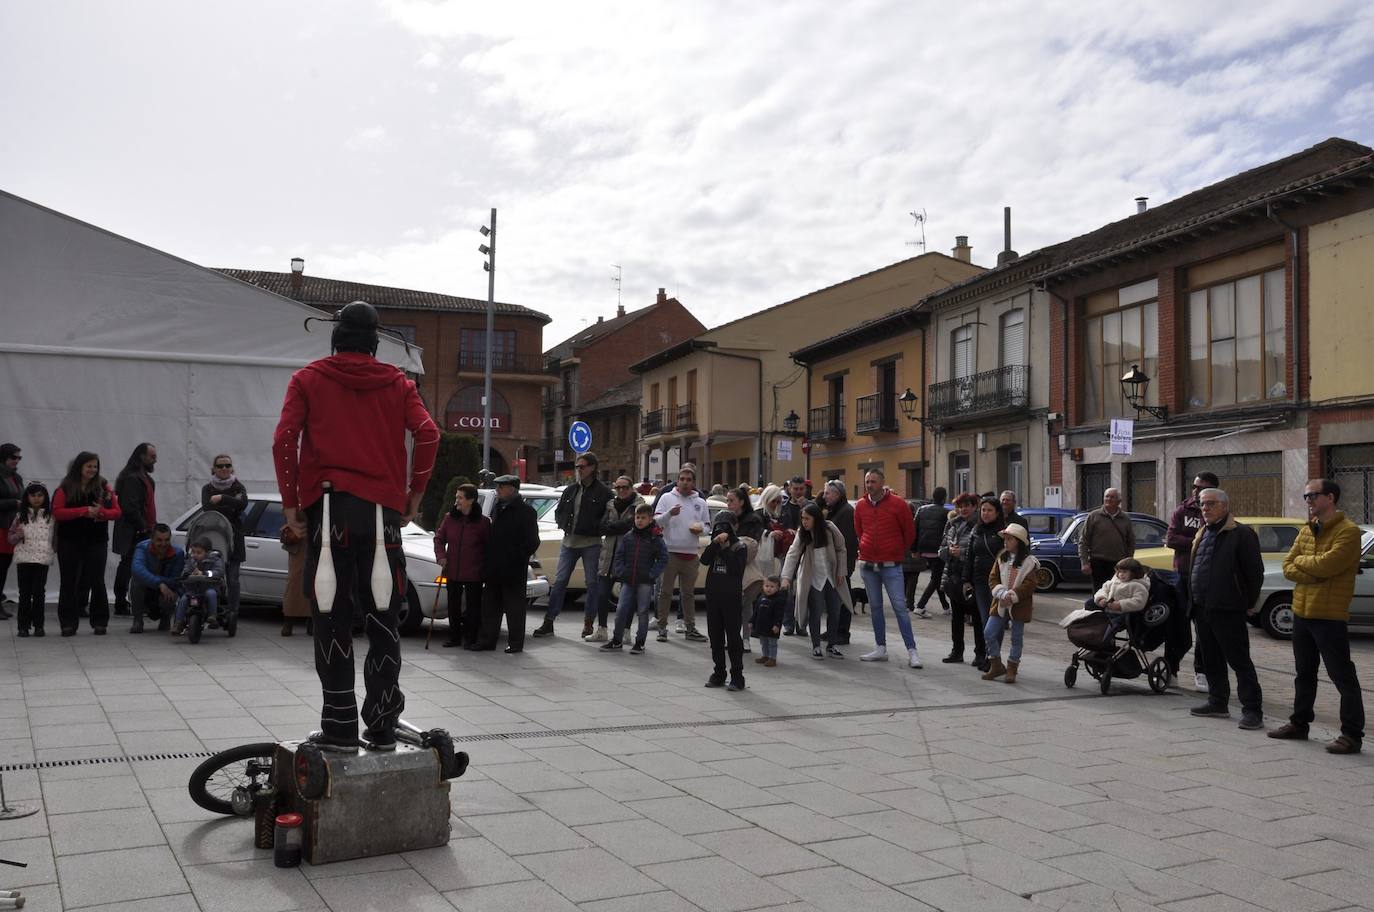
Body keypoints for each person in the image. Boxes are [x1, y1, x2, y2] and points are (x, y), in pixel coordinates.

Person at [273, 300, 440, 751]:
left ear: (336, 336)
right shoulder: (398, 383)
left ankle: (340, 725)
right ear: (374, 342)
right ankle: (382, 725)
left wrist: (291, 503)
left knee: (332, 620)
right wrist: (415, 494)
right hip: (382, 515)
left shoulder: (308, 378)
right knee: (384, 621)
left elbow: (285, 438)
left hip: (329, 512)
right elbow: (428, 433)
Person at [1270, 478, 1365, 754]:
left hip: (1329, 615)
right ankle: (1299, 724)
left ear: (1331, 497)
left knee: (1342, 675)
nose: (1308, 501)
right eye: (1306, 496)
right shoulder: (1307, 529)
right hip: (1302, 612)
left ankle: (1352, 734)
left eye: (1313, 495)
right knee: (1304, 673)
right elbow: (1288, 566)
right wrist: (1310, 570)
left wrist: (1305, 565)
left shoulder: (1348, 532)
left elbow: (1328, 565)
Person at [1187, 488, 1265, 731]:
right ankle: (1218, 702)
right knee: (1211, 659)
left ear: (1224, 506)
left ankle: (1252, 710)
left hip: (1228, 608)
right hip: (1202, 607)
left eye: (1210, 503)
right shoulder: (1203, 532)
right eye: (1202, 504)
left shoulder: (1241, 533)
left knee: (1239, 661)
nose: (1205, 508)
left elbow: (1254, 573)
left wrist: (1248, 602)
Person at [535, 452, 613, 639]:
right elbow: (560, 511)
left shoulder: (604, 492)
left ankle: (588, 622)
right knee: (560, 581)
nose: (579, 470)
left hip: (591, 543)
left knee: (592, 583)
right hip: (569, 541)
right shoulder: (570, 490)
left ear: (592, 467)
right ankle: (549, 622)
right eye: (577, 466)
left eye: (582, 466)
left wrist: (596, 528)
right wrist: (562, 523)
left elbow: (608, 517)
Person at [854, 468, 921, 668]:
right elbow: (859, 530)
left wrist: (896, 550)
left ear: (882, 482)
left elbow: (909, 532)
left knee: (900, 607)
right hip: (868, 564)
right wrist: (865, 546)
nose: (869, 485)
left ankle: (912, 650)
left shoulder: (898, 504)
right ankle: (880, 647)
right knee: (875, 607)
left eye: (873, 481)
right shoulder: (860, 505)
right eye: (867, 481)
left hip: (891, 564)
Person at [52, 452, 121, 636]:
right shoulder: (65, 487)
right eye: (89, 466)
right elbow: (57, 512)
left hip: (96, 540)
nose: (92, 469)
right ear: (79, 467)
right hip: (69, 540)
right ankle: (68, 623)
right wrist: (83, 511)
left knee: (97, 580)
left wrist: (101, 513)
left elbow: (116, 512)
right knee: (69, 581)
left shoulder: (103, 486)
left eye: (95, 466)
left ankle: (100, 621)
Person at [476, 474, 540, 652]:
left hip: (513, 569)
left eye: (501, 487)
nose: (497, 490)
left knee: (514, 608)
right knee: (490, 606)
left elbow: (532, 541)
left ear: (512, 489)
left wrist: (516, 557)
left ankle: (516, 643)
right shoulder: (497, 507)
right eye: (497, 487)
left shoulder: (526, 511)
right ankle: (487, 640)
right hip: (494, 567)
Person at [781, 502, 851, 659]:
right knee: (815, 612)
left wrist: (841, 571)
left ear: (816, 518)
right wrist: (786, 577)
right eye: (802, 518)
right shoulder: (802, 533)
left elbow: (841, 548)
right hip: (812, 578)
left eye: (807, 518)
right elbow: (793, 553)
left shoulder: (830, 528)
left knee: (835, 611)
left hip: (832, 577)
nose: (804, 522)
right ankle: (816, 646)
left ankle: (832, 645)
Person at [1167, 472, 1217, 693]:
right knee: (1178, 625)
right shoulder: (1182, 511)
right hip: (1183, 575)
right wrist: (1198, 541)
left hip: (1205, 578)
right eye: (1194, 486)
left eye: (1202, 487)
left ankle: (1202, 672)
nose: (1196, 491)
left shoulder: (1217, 512)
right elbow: (1171, 539)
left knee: (1204, 628)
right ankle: (1171, 669)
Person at [654, 465, 710, 642]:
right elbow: (656, 521)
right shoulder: (666, 497)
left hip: (691, 554)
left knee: (688, 594)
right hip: (669, 552)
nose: (685, 483)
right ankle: (662, 627)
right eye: (682, 479)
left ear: (694, 483)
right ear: (677, 481)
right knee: (665, 592)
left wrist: (700, 530)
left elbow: (707, 527)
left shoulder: (700, 502)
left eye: (689, 480)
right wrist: (670, 514)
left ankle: (690, 628)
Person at [604, 502, 668, 653]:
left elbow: (663, 558)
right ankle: (617, 640)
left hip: (645, 581)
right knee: (621, 610)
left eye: (643, 518)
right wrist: (621, 571)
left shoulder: (655, 538)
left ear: (650, 519)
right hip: (628, 580)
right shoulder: (629, 536)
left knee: (642, 612)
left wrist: (652, 573)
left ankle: (640, 642)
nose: (639, 521)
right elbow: (619, 556)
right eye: (637, 517)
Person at [700, 510, 753, 691]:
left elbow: (737, 569)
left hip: (731, 598)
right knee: (715, 637)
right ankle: (719, 673)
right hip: (713, 596)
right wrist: (715, 544)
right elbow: (705, 560)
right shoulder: (714, 544)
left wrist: (725, 549)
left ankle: (737, 676)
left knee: (733, 638)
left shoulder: (740, 546)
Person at [434, 483, 490, 648]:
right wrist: (441, 556)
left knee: (473, 606)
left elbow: (488, 546)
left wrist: (485, 567)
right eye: (456, 497)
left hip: (474, 571)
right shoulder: (449, 518)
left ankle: (471, 638)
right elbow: (439, 539)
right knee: (453, 605)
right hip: (452, 570)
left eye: (460, 497)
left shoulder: (483, 522)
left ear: (471, 500)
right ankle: (454, 637)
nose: (456, 501)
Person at [982, 523, 1039, 683]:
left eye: (1009, 539)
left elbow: (1029, 585)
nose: (1005, 542)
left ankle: (1012, 667)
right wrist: (1001, 593)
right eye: (1005, 539)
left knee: (1016, 637)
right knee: (989, 632)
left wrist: (1013, 595)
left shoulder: (1029, 562)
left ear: (1019, 542)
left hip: (1019, 604)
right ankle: (996, 664)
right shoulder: (1002, 557)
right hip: (1000, 602)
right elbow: (993, 578)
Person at [589, 476, 644, 643]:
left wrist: (613, 527)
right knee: (602, 594)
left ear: (631, 488)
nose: (621, 490)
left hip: (628, 556)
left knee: (628, 598)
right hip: (608, 556)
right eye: (618, 487)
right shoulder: (610, 504)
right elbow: (601, 527)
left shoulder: (639, 505)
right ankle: (602, 630)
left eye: (625, 487)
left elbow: (632, 525)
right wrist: (619, 527)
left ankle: (626, 631)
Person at [112, 443, 157, 618]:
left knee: (139, 567)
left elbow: (147, 506)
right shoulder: (131, 478)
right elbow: (130, 507)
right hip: (133, 532)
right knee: (128, 566)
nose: (155, 460)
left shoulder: (145, 478)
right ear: (141, 457)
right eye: (152, 456)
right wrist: (143, 526)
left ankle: (141, 602)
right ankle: (121, 602)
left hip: (144, 530)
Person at [201, 454, 248, 621]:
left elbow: (242, 504)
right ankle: (211, 610)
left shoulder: (238, 486)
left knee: (233, 579)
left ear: (232, 468)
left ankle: (233, 612)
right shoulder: (207, 488)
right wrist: (231, 504)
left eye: (227, 465)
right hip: (214, 538)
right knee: (212, 576)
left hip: (234, 539)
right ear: (213, 469)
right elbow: (207, 508)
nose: (224, 469)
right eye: (220, 466)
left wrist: (222, 498)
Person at [961, 496, 1005, 672]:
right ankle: (991, 656)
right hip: (979, 581)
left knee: (995, 621)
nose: (986, 513)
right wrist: (966, 579)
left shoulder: (1003, 532)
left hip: (999, 583)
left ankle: (993, 658)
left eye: (990, 510)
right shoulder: (976, 530)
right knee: (985, 620)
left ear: (997, 513)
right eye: (983, 510)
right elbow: (970, 556)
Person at [9, 482, 54, 636]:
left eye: (40, 495)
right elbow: (10, 537)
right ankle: (23, 626)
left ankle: (39, 625)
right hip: (24, 558)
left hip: (42, 559)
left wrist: (54, 550)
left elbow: (56, 537)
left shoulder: (51, 517)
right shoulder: (20, 517)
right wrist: (17, 536)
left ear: (45, 497)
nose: (36, 499)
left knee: (39, 592)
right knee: (24, 593)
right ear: (27, 497)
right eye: (33, 495)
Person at [939, 493, 980, 665]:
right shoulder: (952, 524)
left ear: (974, 507)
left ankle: (980, 654)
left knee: (977, 617)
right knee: (956, 616)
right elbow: (941, 550)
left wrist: (961, 553)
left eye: (967, 506)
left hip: (972, 577)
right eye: (960, 506)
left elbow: (980, 551)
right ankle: (957, 651)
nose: (963, 509)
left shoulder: (979, 525)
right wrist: (949, 552)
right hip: (954, 575)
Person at [819, 479, 857, 643]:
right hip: (834, 563)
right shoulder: (834, 510)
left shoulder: (846, 512)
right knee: (833, 599)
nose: (824, 496)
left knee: (842, 599)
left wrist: (843, 567)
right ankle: (833, 630)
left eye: (827, 493)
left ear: (837, 494)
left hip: (842, 565)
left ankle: (842, 632)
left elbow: (846, 543)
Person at [129, 523, 185, 635]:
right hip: (147, 588)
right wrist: (159, 583)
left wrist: (159, 582)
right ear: (152, 539)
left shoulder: (178, 553)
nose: (163, 544)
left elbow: (176, 580)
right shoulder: (142, 547)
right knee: (136, 582)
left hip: (165, 591)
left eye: (167, 540)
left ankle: (166, 618)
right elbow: (136, 569)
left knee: (172, 591)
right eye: (159, 540)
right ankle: (138, 620)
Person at [729, 485, 766, 650]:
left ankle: (745, 639)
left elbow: (751, 546)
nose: (728, 504)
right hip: (729, 568)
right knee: (731, 605)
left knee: (745, 604)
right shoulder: (726, 518)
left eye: (732, 501)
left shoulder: (753, 519)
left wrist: (733, 546)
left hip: (747, 568)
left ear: (742, 502)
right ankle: (732, 637)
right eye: (727, 501)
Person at [1078, 488, 1135, 591]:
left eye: (1112, 497)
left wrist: (1128, 561)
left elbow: (1131, 542)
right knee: (1099, 593)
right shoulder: (1094, 516)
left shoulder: (1125, 518)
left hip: (1118, 563)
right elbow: (1084, 541)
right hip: (1098, 562)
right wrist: (1084, 562)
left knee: (1116, 592)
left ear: (1119, 501)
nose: (1108, 499)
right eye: (1106, 496)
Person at [170, 537, 224, 635]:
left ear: (207, 553)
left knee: (211, 593)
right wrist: (187, 575)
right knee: (184, 599)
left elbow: (218, 572)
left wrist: (205, 573)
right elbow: (185, 570)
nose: (195, 555)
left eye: (199, 553)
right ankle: (178, 623)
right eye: (193, 552)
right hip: (193, 589)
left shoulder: (214, 560)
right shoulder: (191, 561)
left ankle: (212, 616)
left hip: (208, 587)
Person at [913, 487, 950, 617]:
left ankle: (945, 606)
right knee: (936, 579)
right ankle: (920, 606)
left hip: (924, 549)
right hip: (938, 550)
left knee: (937, 577)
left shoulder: (921, 510)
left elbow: (914, 529)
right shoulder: (946, 513)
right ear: (944, 498)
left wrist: (914, 549)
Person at [0, 443, 24, 618]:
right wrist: (14, 503)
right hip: (0, 527)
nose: (16, 460)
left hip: (10, 527)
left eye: (19, 457)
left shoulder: (16, 477)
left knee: (4, 566)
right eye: (13, 457)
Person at [280, 522, 311, 636]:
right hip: (299, 539)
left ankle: (312, 622)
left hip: (314, 541)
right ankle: (288, 621)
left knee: (314, 585)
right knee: (294, 586)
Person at [752, 576, 786, 667]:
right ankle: (765, 656)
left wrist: (777, 625)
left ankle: (772, 658)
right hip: (762, 626)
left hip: (772, 627)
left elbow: (779, 614)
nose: (769, 588)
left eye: (772, 586)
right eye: (766, 586)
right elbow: (756, 611)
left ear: (778, 588)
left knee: (772, 643)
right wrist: (752, 621)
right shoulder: (761, 598)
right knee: (764, 642)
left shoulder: (779, 600)